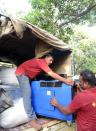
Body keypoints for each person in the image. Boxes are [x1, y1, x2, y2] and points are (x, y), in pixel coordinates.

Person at [15, 54, 73, 130]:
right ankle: (31, 120)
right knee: (27, 96)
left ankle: (34, 117)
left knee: (30, 94)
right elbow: (51, 73)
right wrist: (65, 80)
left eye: (52, 61)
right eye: (50, 60)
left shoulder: (40, 63)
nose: (51, 62)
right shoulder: (41, 62)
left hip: (27, 75)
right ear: (46, 58)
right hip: (21, 74)